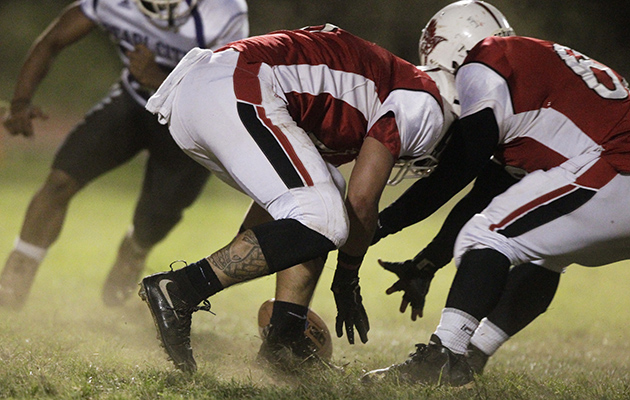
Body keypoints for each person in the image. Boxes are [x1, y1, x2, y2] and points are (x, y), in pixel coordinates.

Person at [138, 23, 455, 373]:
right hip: (237, 85)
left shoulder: (366, 94)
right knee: (326, 217)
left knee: (323, 194)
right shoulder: (426, 101)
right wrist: (347, 277)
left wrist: (248, 253)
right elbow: (363, 200)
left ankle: (284, 342)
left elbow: (283, 209)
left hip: (202, 97)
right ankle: (180, 289)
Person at [362, 0, 630, 386]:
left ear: (449, 49)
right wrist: (426, 264)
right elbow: (484, 194)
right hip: (611, 168)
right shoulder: (528, 80)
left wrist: (375, 224)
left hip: (616, 162)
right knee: (544, 254)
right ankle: (471, 354)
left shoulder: (485, 60)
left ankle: (442, 356)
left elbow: (459, 169)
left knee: (487, 236)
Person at [0, 0, 249, 309]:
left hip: (189, 120)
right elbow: (52, 40)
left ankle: (134, 250)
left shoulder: (224, 11)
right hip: (132, 103)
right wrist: (22, 100)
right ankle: (21, 265)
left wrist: (159, 80)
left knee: (154, 219)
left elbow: (226, 89)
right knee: (59, 181)